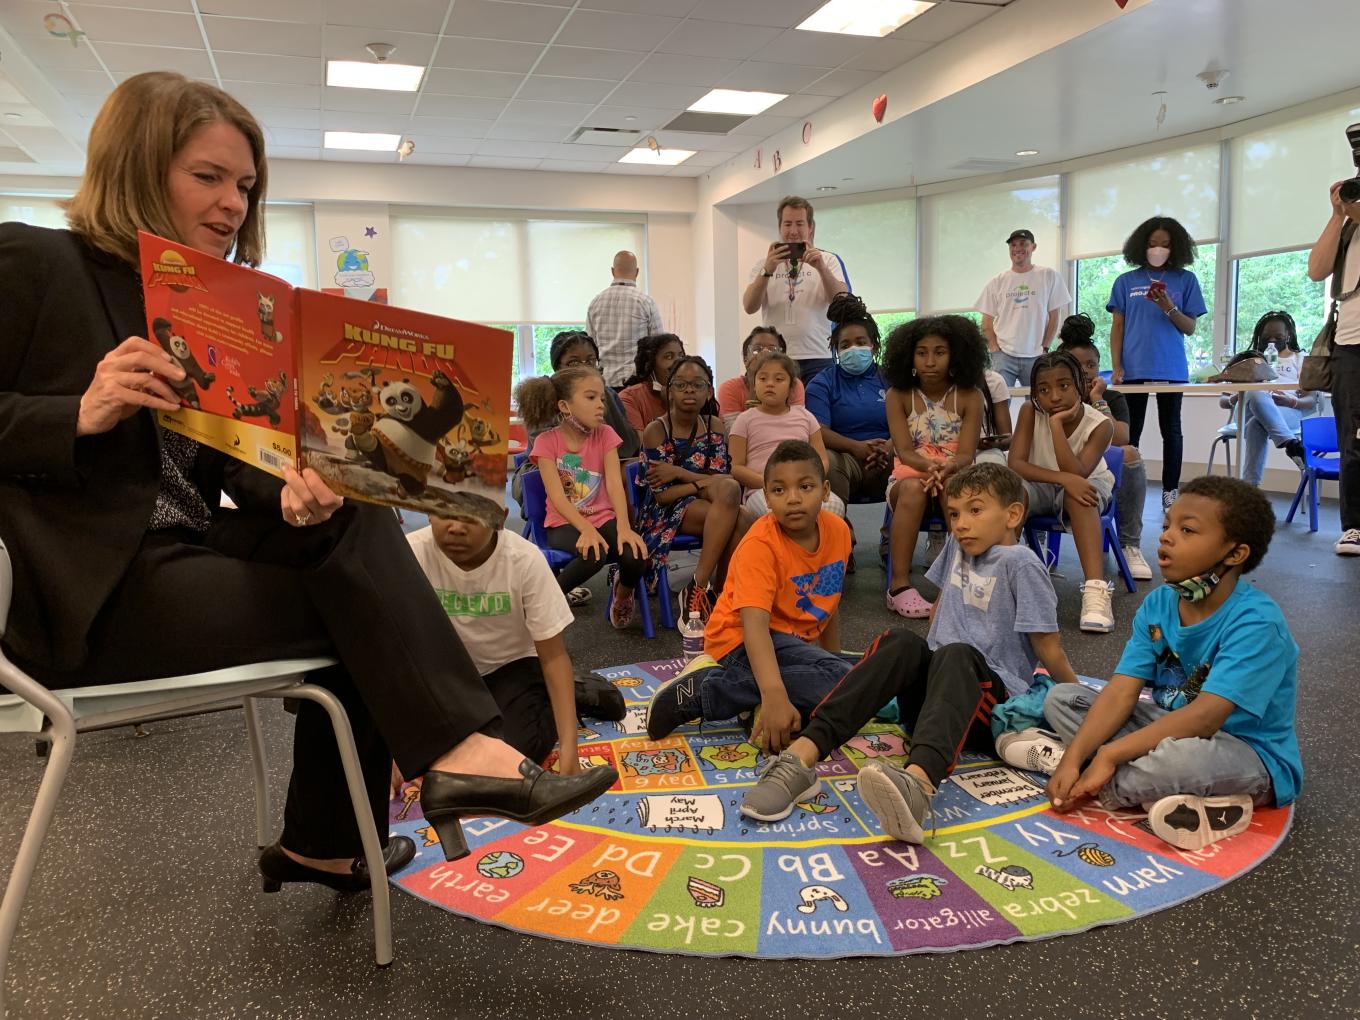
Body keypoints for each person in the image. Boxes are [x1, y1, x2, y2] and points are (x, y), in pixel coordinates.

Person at [0, 71, 616, 889]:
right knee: (363, 612)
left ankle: (332, 839)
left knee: (352, 515)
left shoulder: (207, 297)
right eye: (207, 177)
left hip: (182, 549)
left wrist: (294, 484)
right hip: (87, 590)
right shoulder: (34, 261)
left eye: (246, 186)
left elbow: (226, 459)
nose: (232, 204)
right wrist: (78, 411)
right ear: (137, 166)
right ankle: (453, 755)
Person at [738, 462, 1080, 831]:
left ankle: (918, 783)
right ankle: (799, 761)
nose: (961, 523)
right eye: (954, 513)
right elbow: (942, 608)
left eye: (975, 510)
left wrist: (1081, 705)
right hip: (932, 701)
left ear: (1013, 514)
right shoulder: (960, 545)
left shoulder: (1023, 563)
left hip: (984, 704)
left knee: (956, 653)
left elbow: (1047, 644)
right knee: (901, 641)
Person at [1045, 476, 1301, 852]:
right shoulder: (1158, 604)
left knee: (1163, 765)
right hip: (1169, 728)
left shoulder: (1257, 622)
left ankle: (1200, 795)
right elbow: (1121, 691)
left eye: (1187, 530)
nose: (1166, 537)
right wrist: (1075, 756)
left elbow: (1206, 718)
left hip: (1246, 750)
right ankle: (1159, 791)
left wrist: (1109, 753)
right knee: (1062, 699)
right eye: (1166, 526)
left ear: (1234, 554)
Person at [643, 440, 852, 755]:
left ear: (825, 491)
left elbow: (828, 600)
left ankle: (751, 707)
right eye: (779, 491)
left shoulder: (838, 530)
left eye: (805, 487)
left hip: (790, 643)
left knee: (851, 679)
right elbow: (753, 627)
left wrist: (831, 657)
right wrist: (773, 695)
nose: (793, 499)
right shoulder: (760, 545)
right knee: (841, 681)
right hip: (738, 640)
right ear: (766, 498)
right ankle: (707, 690)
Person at [406, 493, 585, 770]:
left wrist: (570, 750)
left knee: (516, 755)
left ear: (499, 518)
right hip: (446, 674)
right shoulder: (409, 553)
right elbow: (391, 650)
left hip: (511, 666)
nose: (456, 527)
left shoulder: (524, 559)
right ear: (426, 510)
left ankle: (568, 694)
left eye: (472, 515)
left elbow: (553, 657)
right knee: (425, 749)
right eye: (443, 510)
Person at [515, 367, 650, 629]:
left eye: (601, 398)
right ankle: (544, 603)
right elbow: (557, 496)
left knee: (635, 554)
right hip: (564, 522)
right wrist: (586, 528)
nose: (601, 405)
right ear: (565, 406)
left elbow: (614, 484)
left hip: (604, 517)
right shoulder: (546, 443)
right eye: (591, 398)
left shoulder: (606, 435)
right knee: (594, 553)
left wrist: (624, 526)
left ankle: (622, 593)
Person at [881, 316, 987, 619]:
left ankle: (955, 586)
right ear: (909, 356)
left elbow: (967, 453)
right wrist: (931, 467)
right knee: (914, 489)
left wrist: (946, 468)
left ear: (955, 354)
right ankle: (898, 586)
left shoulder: (971, 395)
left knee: (955, 489)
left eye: (939, 352)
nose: (930, 361)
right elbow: (903, 450)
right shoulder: (897, 396)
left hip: (955, 473)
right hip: (910, 474)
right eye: (921, 352)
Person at [636, 355, 750, 624]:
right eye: (681, 384)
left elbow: (723, 480)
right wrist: (701, 482)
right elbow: (662, 496)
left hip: (712, 502)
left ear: (709, 391)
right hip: (664, 512)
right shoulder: (656, 430)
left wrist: (678, 473)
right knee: (739, 515)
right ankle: (706, 590)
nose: (689, 390)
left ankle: (712, 592)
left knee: (735, 503)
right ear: (669, 391)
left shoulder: (715, 426)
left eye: (698, 384)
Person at [1009, 351, 1116, 633]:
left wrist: (1056, 426)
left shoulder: (1101, 424)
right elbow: (1016, 463)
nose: (1054, 396)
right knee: (1010, 495)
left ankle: (1096, 592)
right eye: (1043, 390)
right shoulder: (1030, 411)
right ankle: (1004, 579)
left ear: (1080, 383)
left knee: (1079, 496)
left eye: (1063, 386)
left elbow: (1078, 473)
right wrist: (1061, 479)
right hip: (1042, 481)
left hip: (1089, 482)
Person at [1108, 216, 1207, 510]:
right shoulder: (1126, 281)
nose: (1158, 249)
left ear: (1175, 247)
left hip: (1170, 368)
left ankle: (1170, 492)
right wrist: (1116, 365)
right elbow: (1118, 327)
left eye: (1165, 244)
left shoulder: (1186, 280)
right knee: (1130, 431)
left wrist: (1169, 307)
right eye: (1152, 244)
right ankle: (1127, 488)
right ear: (1141, 246)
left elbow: (1189, 327)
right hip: (1133, 368)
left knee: (1171, 430)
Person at [1057, 313, 1153, 581]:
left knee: (1130, 454)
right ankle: (1039, 540)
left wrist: (1097, 399)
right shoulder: (1054, 398)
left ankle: (1130, 544)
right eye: (1078, 365)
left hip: (1097, 469)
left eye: (1092, 365)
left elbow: (1121, 438)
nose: (1086, 371)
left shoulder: (1110, 397)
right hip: (1060, 470)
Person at [740, 196, 848, 383]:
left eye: (799, 224)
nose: (793, 231)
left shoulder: (828, 260)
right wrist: (768, 270)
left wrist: (821, 268)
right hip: (777, 357)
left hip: (818, 356)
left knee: (815, 411)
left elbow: (842, 300)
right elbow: (749, 306)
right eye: (787, 224)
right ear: (780, 227)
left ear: (810, 228)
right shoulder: (764, 264)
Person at [1307, 178, 1360, 554]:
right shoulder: (1348, 229)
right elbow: (1316, 269)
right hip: (1348, 343)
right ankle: (1354, 526)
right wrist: (1338, 214)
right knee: (1352, 441)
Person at [729, 350, 846, 519]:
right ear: (754, 384)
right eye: (763, 378)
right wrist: (771, 483)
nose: (770, 384)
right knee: (778, 512)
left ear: (792, 387)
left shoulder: (806, 417)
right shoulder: (744, 420)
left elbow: (822, 459)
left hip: (804, 485)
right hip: (763, 489)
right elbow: (736, 467)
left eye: (779, 379)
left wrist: (808, 481)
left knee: (834, 507)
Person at [804, 293, 893, 506]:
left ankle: (894, 531)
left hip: (890, 453)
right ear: (836, 350)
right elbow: (818, 431)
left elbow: (910, 424)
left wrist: (888, 448)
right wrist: (855, 447)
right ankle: (841, 529)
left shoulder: (891, 379)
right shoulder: (821, 383)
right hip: (844, 457)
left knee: (914, 456)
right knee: (827, 461)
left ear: (875, 346)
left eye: (860, 342)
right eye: (845, 345)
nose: (853, 349)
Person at [975, 228, 1071, 386]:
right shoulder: (998, 281)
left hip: (1036, 354)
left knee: (1038, 405)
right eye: (1013, 245)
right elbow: (986, 322)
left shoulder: (1048, 276)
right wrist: (994, 349)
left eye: (1023, 244)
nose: (1017, 249)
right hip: (1003, 355)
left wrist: (1045, 348)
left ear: (1033, 247)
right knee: (998, 403)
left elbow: (1054, 316)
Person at [1230, 311, 1317, 485]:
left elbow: (1311, 401)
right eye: (1267, 337)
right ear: (1259, 336)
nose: (1272, 341)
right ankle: (1291, 444)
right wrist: (1237, 396)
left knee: (1256, 424)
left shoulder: (1300, 358)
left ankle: (1249, 490)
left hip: (1288, 410)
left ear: (1288, 335)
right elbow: (1225, 400)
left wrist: (1291, 401)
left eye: (1278, 336)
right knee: (1256, 392)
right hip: (1247, 409)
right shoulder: (1251, 359)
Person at [587, 250, 665, 389]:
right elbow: (659, 345)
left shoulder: (595, 302)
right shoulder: (645, 302)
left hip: (605, 385)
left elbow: (590, 345)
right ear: (637, 272)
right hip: (636, 383)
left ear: (612, 271)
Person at [716, 326, 806, 425]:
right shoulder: (729, 388)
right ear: (745, 359)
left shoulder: (794, 385)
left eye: (772, 350)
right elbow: (733, 432)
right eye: (757, 350)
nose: (765, 354)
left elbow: (797, 426)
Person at [618, 333, 684, 435]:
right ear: (651, 364)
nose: (678, 362)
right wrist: (671, 408)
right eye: (669, 357)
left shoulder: (692, 391)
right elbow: (642, 446)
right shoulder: (629, 398)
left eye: (681, 356)